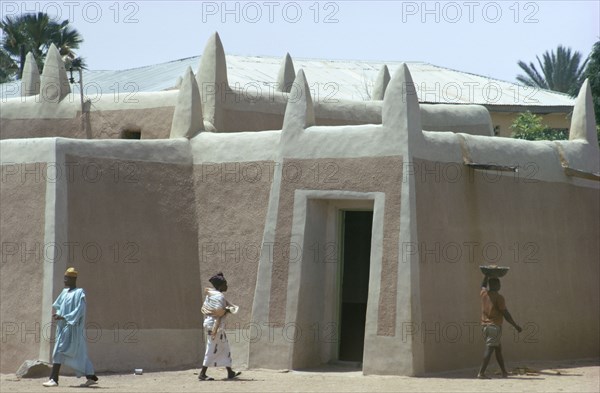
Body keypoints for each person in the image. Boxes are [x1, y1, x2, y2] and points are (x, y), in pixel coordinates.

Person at [42, 267, 99, 387]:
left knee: (58, 351)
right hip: (63, 328)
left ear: (73, 279)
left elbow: (80, 310)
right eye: (64, 278)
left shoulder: (79, 293)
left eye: (66, 278)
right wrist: (58, 314)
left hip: (73, 328)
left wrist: (64, 317)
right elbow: (58, 305)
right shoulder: (64, 292)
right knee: (79, 353)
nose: (64, 280)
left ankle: (53, 379)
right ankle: (91, 376)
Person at [477, 275, 522, 379]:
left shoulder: (484, 294)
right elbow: (505, 313)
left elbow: (482, 286)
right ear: (496, 285)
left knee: (498, 349)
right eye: (499, 283)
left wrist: (486, 276)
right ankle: (481, 373)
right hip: (494, 327)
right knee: (489, 349)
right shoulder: (499, 297)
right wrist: (515, 326)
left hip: (485, 327)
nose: (500, 285)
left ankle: (504, 372)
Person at [198, 272, 241, 381]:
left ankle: (230, 372)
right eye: (225, 284)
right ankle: (202, 373)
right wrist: (228, 310)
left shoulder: (211, 295)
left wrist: (225, 310)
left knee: (224, 347)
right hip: (214, 326)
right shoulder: (219, 296)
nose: (227, 286)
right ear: (220, 285)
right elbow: (218, 312)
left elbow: (212, 310)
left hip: (211, 324)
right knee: (211, 348)